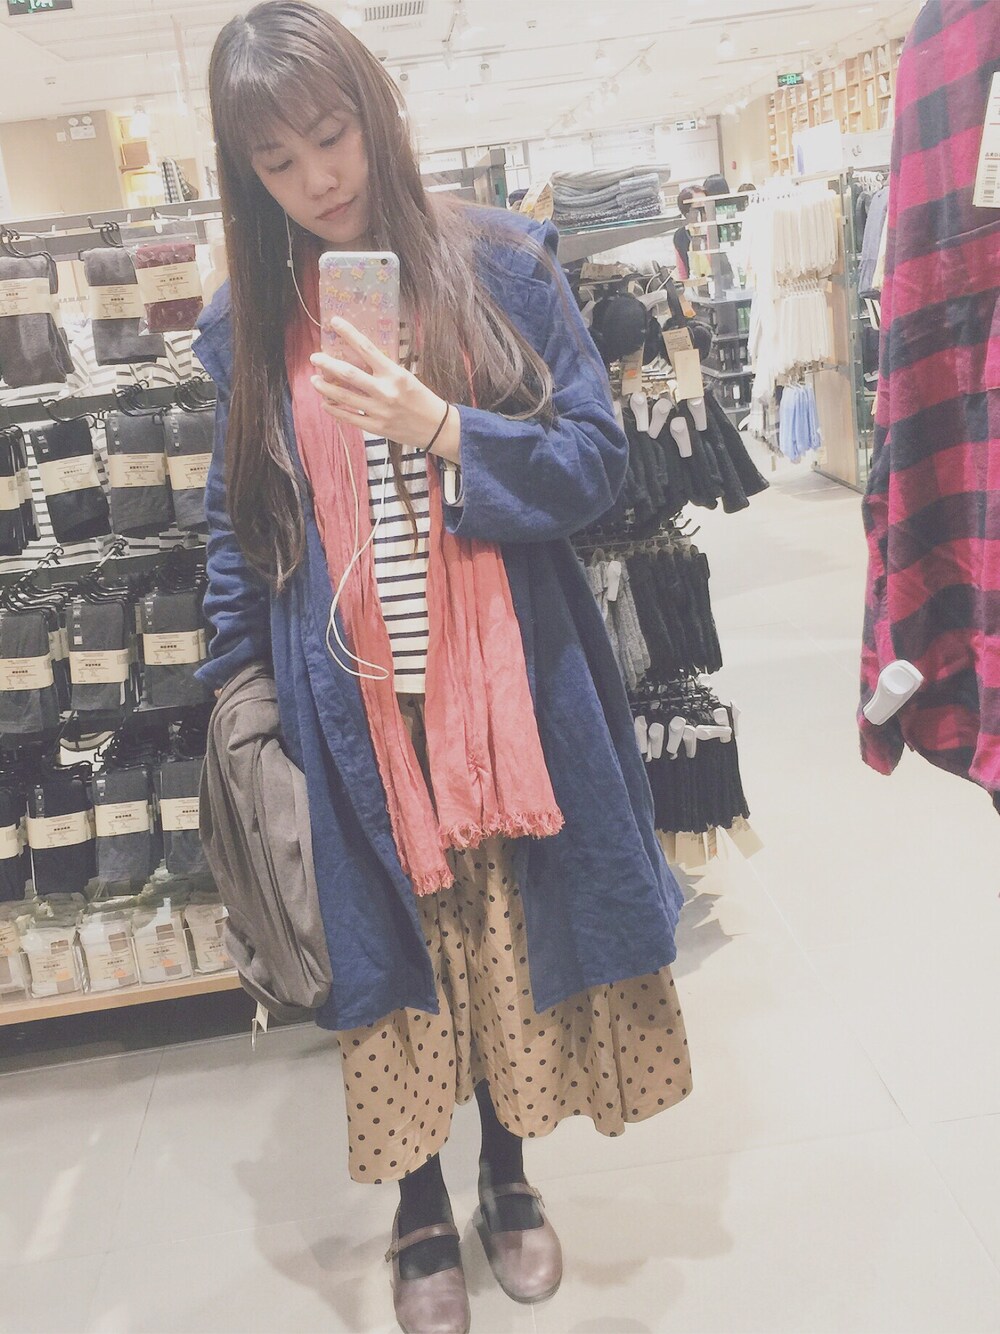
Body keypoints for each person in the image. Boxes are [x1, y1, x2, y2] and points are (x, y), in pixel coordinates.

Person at [199, 4, 691, 1330]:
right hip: (347, 708)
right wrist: (238, 695)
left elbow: (597, 460)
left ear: (376, 110)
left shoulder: (502, 266)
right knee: (401, 968)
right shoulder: (250, 318)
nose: (319, 178)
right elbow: (238, 526)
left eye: (331, 133)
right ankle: (419, 1205)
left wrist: (444, 426)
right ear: (247, 173)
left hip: (510, 693)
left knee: (508, 939)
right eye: (279, 161)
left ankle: (508, 1177)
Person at [672, 183, 705, 279]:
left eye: (707, 203)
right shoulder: (680, 236)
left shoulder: (715, 228)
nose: (705, 209)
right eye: (699, 205)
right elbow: (682, 270)